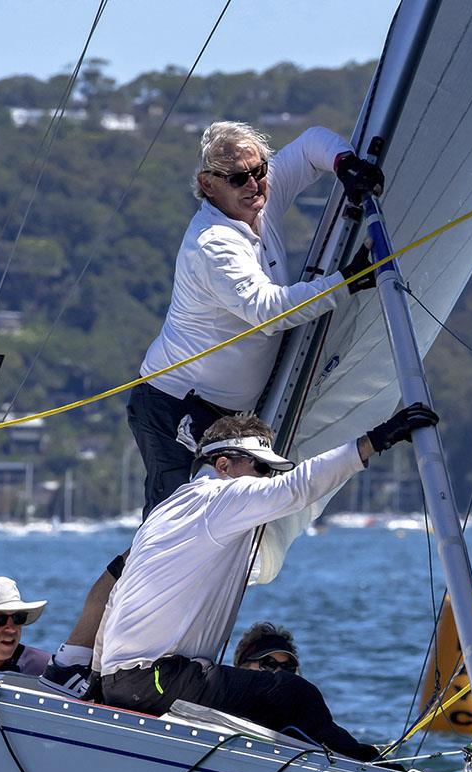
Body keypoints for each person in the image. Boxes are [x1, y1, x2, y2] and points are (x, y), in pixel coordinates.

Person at [42, 122, 382, 695]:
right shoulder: (213, 242)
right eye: (236, 178)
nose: (254, 185)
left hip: (227, 422)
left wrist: (345, 163)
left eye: (258, 172)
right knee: (158, 546)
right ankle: (84, 664)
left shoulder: (260, 197)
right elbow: (267, 310)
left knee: (185, 545)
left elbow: (309, 145)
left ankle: (129, 664)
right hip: (176, 406)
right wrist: (350, 281)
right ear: (207, 185)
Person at [98, 403, 438, 759]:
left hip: (122, 681)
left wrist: (98, 681)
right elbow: (299, 487)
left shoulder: (165, 512)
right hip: (157, 679)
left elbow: (115, 600)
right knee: (296, 695)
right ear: (223, 465)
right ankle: (367, 770)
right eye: (260, 468)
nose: (266, 480)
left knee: (269, 698)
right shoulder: (218, 498)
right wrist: (376, 440)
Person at [232, 621, 378, 759]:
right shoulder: (221, 708)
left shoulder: (305, 715)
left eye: (287, 667)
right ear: (242, 667)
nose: (279, 673)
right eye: (269, 664)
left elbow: (339, 742)